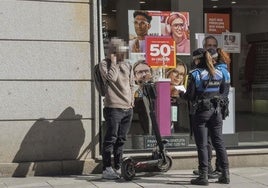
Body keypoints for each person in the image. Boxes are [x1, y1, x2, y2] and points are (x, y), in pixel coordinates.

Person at [183, 48, 230, 185]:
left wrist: (180, 94)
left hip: (201, 112)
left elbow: (190, 96)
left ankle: (203, 176)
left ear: (197, 60)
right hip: (216, 112)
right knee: (219, 142)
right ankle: (225, 174)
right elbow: (222, 92)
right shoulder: (219, 73)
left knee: (202, 144)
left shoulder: (195, 74)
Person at [99, 37, 135, 179]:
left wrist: (131, 101)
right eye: (119, 51)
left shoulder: (128, 65)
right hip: (113, 107)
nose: (123, 54)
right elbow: (111, 78)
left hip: (127, 108)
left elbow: (132, 84)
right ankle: (107, 168)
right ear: (113, 51)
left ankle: (118, 166)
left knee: (121, 139)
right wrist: (113, 62)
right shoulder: (104, 64)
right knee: (111, 139)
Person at [166, 59, 189, 133]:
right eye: (175, 72)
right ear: (168, 72)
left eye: (182, 74)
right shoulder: (160, 90)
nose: (178, 76)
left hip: (180, 132)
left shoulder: (184, 92)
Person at [133, 60, 153, 134]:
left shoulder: (156, 89)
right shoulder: (133, 92)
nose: (144, 75)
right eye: (140, 72)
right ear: (134, 77)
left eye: (146, 71)